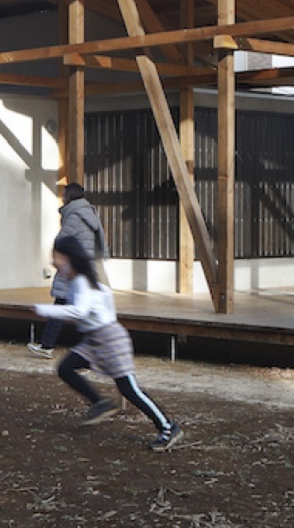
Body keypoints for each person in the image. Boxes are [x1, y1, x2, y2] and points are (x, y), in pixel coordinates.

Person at [35, 233, 182, 451]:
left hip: (109, 338)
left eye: (56, 256)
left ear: (67, 257)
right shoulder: (77, 278)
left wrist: (43, 309)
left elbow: (79, 310)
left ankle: (168, 427)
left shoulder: (82, 281)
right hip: (93, 338)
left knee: (129, 389)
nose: (53, 261)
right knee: (66, 368)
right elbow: (103, 296)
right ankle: (101, 403)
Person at [30, 182, 108, 358]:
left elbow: (63, 242)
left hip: (74, 266)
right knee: (77, 307)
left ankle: (48, 345)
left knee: (64, 303)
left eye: (64, 193)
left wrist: (56, 259)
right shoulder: (87, 213)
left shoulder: (74, 216)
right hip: (84, 265)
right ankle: (50, 345)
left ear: (70, 196)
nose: (62, 196)